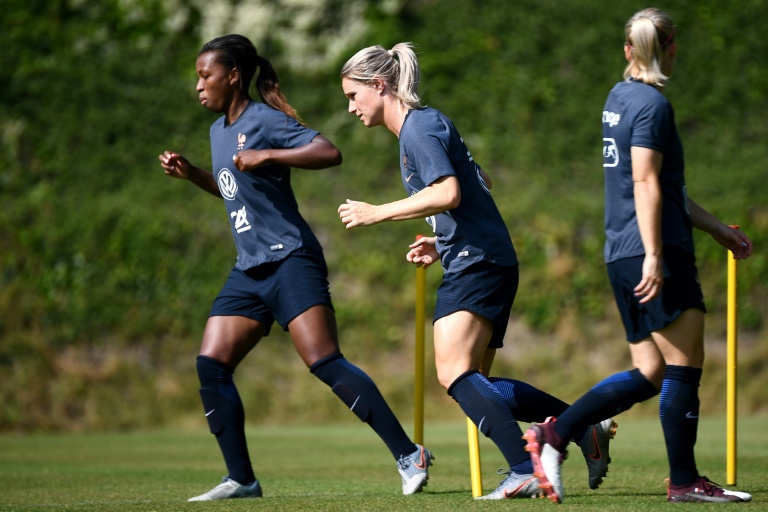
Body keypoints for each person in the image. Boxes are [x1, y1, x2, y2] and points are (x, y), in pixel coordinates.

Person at [158, 34, 433, 501]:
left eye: (206, 76)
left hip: (290, 260)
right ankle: (242, 479)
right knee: (211, 364)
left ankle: (409, 454)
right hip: (250, 269)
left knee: (325, 362)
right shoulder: (216, 132)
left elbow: (328, 152)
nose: (199, 86)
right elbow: (232, 188)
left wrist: (269, 154)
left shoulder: (265, 121)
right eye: (198, 77)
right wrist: (194, 176)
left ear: (233, 76)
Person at [338, 42, 617, 500]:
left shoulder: (416, 130)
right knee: (479, 386)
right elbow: (479, 182)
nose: (350, 107)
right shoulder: (430, 122)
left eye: (353, 95)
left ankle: (524, 470)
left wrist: (378, 212)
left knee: (454, 374)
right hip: (485, 257)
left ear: (378, 85)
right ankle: (582, 427)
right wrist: (441, 240)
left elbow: (449, 191)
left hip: (479, 263)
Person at [523, 8, 753, 504]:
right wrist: (654, 256)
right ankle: (685, 481)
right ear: (671, 48)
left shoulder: (617, 98)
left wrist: (716, 229)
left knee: (650, 371)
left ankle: (555, 434)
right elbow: (646, 180)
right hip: (655, 252)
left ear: (629, 50)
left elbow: (661, 186)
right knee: (685, 362)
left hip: (619, 253)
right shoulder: (652, 105)